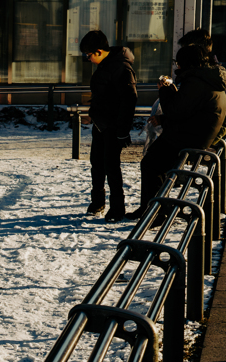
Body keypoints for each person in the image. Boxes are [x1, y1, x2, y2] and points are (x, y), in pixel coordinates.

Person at [126, 44, 226, 220]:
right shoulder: (207, 79)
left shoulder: (196, 83)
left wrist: (165, 90)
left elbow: (175, 110)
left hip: (188, 139)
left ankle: (155, 213)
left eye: (178, 63)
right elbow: (189, 111)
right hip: (196, 134)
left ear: (186, 63)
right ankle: (152, 209)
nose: (176, 66)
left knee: (150, 164)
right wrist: (165, 118)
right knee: (154, 164)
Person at [79, 30, 138, 222]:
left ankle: (117, 208)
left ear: (98, 51)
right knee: (97, 164)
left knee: (111, 167)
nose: (87, 59)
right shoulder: (107, 65)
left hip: (112, 127)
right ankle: (98, 202)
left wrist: (122, 132)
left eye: (88, 55)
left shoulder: (119, 67)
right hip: (102, 124)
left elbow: (128, 101)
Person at [179, 29, 226, 145]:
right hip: (211, 128)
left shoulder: (202, 75)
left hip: (203, 134)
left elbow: (182, 110)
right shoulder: (213, 71)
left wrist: (165, 92)